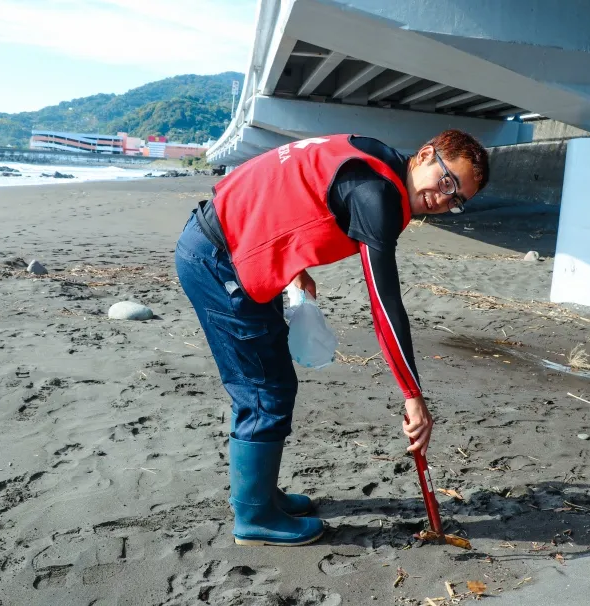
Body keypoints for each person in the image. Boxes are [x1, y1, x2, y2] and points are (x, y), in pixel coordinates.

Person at [174, 130, 489, 546]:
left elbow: (289, 187)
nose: (443, 199)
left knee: (273, 382)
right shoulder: (376, 194)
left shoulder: (375, 153)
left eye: (457, 200)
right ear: (426, 153)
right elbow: (385, 305)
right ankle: (254, 517)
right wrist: (413, 394)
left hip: (229, 243)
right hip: (219, 260)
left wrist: (292, 258)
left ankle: (262, 493)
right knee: (263, 389)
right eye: (447, 182)